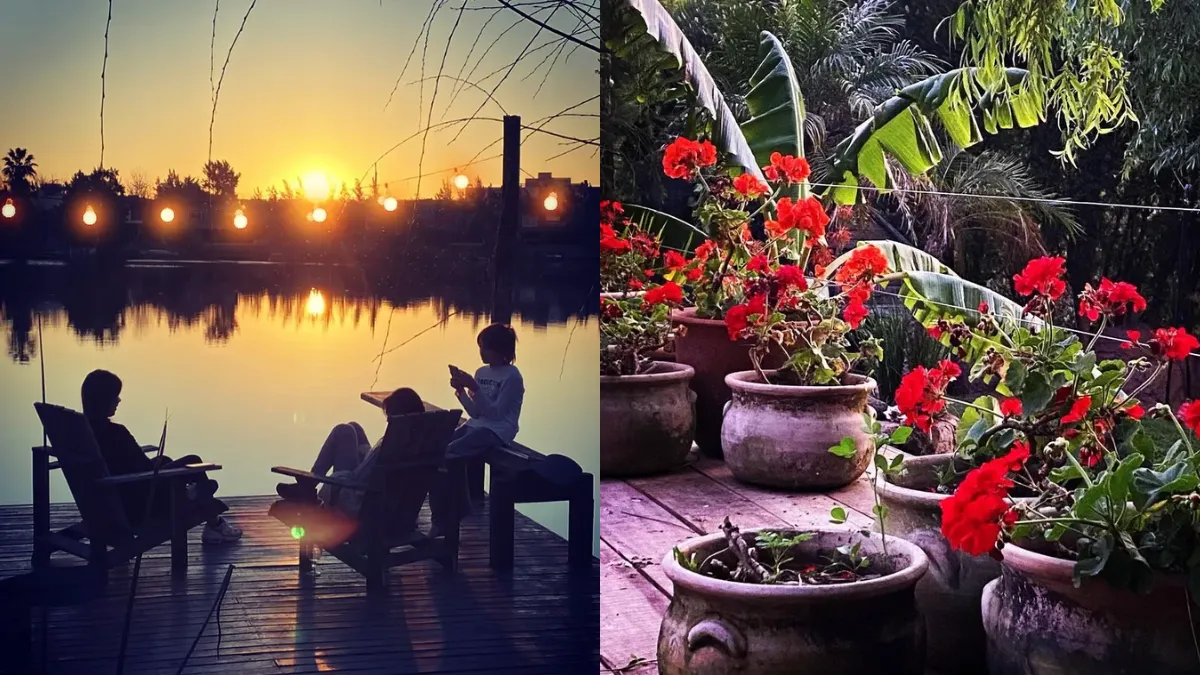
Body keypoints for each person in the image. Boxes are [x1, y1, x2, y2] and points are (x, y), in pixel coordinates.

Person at [81, 369, 242, 544]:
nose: (118, 400)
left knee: (165, 461)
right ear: (103, 400)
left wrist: (160, 462)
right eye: (115, 396)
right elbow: (147, 471)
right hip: (140, 506)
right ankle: (205, 514)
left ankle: (199, 500)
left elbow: (133, 466)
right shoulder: (116, 433)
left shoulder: (81, 431)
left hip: (109, 504)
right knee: (194, 463)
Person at [431, 323, 524, 534]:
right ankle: (454, 508)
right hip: (476, 425)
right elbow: (475, 412)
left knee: (448, 455)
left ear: (499, 349)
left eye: (485, 347)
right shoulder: (481, 372)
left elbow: (496, 414)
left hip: (498, 430)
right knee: (437, 450)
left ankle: (447, 515)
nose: (481, 352)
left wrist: (474, 387)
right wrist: (462, 391)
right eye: (480, 346)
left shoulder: (512, 377)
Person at [275, 388, 426, 518]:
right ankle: (307, 485)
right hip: (388, 500)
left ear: (398, 416)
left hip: (358, 502)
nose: (388, 422)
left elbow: (357, 479)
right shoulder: (418, 442)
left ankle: (307, 485)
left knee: (342, 430)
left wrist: (333, 479)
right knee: (354, 428)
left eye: (390, 417)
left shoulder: (388, 447)